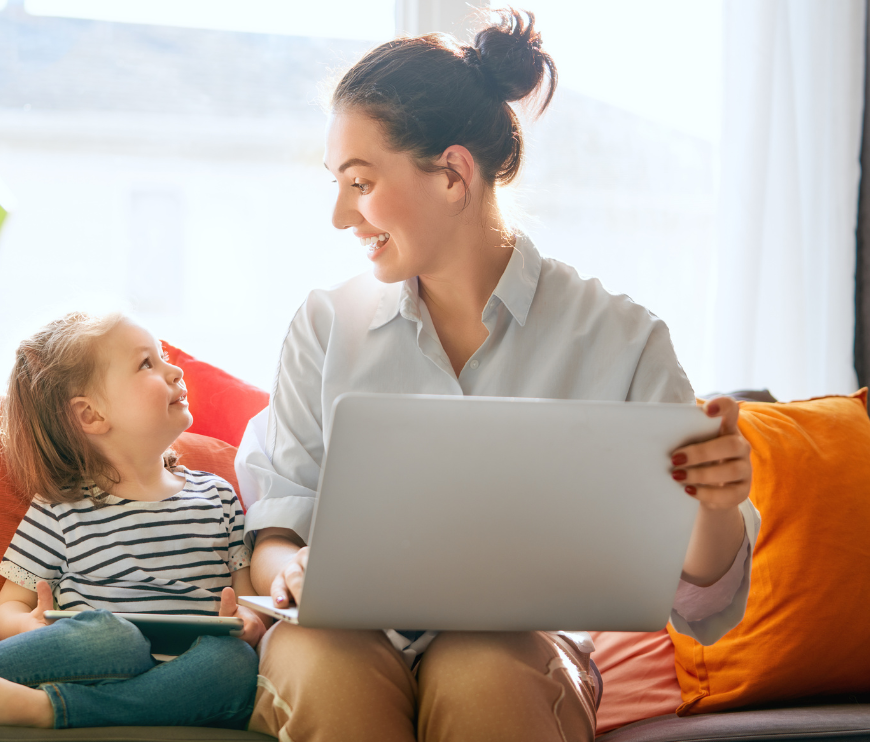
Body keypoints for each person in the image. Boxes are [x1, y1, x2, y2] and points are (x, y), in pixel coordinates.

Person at [235, 9, 761, 742]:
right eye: (337, 183)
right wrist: (288, 570)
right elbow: (275, 533)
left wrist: (714, 501)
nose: (338, 214)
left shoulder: (620, 337)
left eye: (359, 182)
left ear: (453, 174)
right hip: (341, 639)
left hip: (519, 655)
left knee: (483, 666)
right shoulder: (324, 327)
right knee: (320, 659)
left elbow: (700, 600)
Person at [0, 312, 265, 729]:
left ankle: (45, 709)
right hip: (101, 662)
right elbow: (6, 611)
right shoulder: (61, 508)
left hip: (189, 676)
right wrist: (31, 624)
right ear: (90, 416)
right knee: (116, 637)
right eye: (147, 363)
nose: (176, 370)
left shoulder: (218, 494)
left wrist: (250, 622)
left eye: (163, 356)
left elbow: (250, 599)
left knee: (236, 661)